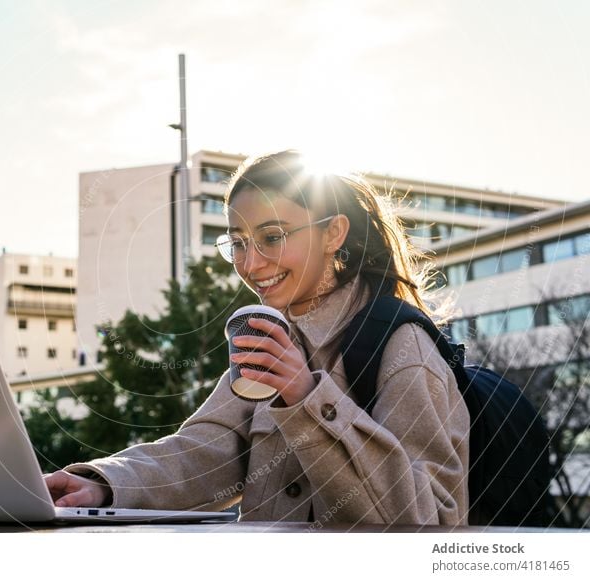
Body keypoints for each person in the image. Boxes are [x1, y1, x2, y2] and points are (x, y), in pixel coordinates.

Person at [46, 150, 470, 525]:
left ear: (334, 233)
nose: (251, 264)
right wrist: (100, 486)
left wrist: (307, 397)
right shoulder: (270, 336)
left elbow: (431, 519)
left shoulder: (403, 347)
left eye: (272, 237)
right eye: (238, 243)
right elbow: (202, 453)